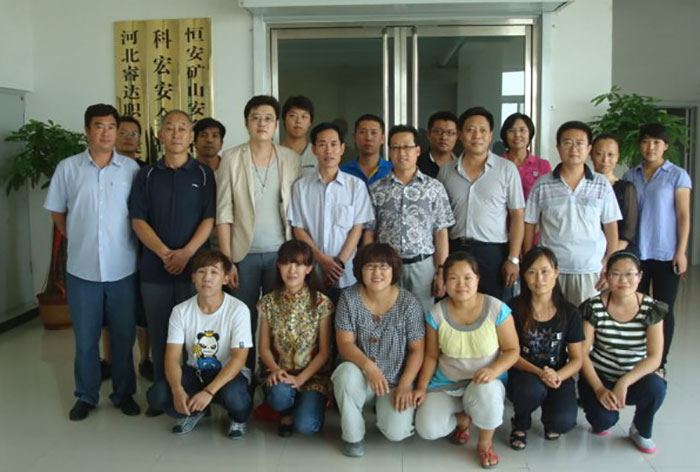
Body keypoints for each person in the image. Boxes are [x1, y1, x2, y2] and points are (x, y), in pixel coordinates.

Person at [44, 103, 141, 420]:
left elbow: (138, 216)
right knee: (86, 339)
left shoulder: (131, 169)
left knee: (123, 336)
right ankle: (86, 396)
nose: (106, 132)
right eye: (99, 126)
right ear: (87, 130)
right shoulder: (68, 168)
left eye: (112, 126)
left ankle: (124, 393)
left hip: (122, 268)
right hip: (82, 270)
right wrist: (76, 235)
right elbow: (58, 212)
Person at [129, 110, 216, 416]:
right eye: (170, 128)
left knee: (197, 334)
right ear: (160, 134)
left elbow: (209, 219)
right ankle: (164, 392)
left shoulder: (204, 174)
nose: (176, 133)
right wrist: (166, 253)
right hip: (155, 269)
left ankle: (198, 394)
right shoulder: (146, 175)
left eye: (182, 128)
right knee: (160, 332)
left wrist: (186, 254)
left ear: (191, 136)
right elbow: (138, 220)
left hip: (196, 270)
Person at [216, 95, 301, 371]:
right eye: (255, 118)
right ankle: (243, 378)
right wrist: (227, 261)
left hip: (281, 255)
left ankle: (274, 379)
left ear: (276, 124)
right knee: (243, 321)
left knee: (278, 321)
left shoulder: (290, 158)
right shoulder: (231, 158)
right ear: (246, 123)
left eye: (268, 118)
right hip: (244, 255)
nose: (261, 123)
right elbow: (224, 212)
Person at [414, 252, 519, 469]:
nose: (461, 284)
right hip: (447, 383)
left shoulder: (496, 308)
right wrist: (422, 387)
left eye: (467, 277)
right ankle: (463, 420)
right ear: (444, 282)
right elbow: (431, 356)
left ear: (477, 279)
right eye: (453, 278)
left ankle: (485, 443)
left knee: (487, 392)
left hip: (484, 382)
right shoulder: (436, 313)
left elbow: (512, 350)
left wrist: (494, 370)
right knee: (427, 428)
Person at [146, 250, 253, 439]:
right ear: (193, 277)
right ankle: (196, 410)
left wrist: (209, 392)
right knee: (158, 395)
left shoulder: (238, 310)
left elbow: (239, 359)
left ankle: (238, 419)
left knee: (235, 398)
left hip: (229, 374)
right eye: (201, 272)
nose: (207, 278)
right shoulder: (180, 311)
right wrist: (177, 390)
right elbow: (172, 357)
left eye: (214, 272)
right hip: (196, 372)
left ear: (225, 278)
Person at [333, 243, 425, 457]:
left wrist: (405, 384)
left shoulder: (409, 303)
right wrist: (369, 367)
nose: (377, 273)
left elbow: (417, 349)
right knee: (345, 374)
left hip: (395, 380)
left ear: (394, 270)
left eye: (383, 266)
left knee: (396, 432)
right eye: (370, 266)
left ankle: (384, 410)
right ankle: (353, 436)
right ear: (360, 270)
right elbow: (345, 344)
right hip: (361, 374)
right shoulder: (349, 298)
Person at [578, 251, 667, 454]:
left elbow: (655, 357)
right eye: (616, 274)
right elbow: (582, 353)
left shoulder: (651, 309)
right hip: (600, 377)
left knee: (656, 387)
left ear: (640, 277)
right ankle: (602, 417)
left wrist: (624, 382)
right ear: (606, 276)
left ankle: (640, 430)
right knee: (602, 422)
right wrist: (599, 389)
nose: (623, 280)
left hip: (634, 377)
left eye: (629, 274)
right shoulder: (594, 307)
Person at [524, 121, 621, 306]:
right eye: (567, 143)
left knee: (586, 319)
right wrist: (529, 260)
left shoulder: (601, 184)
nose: (574, 149)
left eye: (580, 143)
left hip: (590, 269)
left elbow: (610, 225)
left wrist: (610, 263)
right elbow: (530, 223)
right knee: (552, 317)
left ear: (589, 148)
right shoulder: (543, 184)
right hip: (551, 270)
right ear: (558, 148)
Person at [622, 123, 691, 373]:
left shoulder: (677, 175)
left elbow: (683, 215)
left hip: (665, 253)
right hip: (635, 254)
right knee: (633, 307)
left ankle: (660, 363)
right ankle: (635, 359)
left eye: (656, 142)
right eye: (645, 141)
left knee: (663, 309)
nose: (650, 147)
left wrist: (681, 251)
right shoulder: (630, 176)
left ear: (665, 146)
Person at [364, 124, 454, 312]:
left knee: (422, 318)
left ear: (418, 151)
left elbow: (441, 232)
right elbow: (370, 232)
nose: (401, 153)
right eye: (396, 147)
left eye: (407, 147)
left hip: (423, 267)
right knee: (387, 318)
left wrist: (441, 271)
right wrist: (368, 266)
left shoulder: (433, 187)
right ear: (389, 151)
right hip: (386, 268)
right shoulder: (376, 188)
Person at [438, 106, 525, 299]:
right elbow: (438, 219)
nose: (477, 135)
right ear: (461, 135)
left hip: (493, 253)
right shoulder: (446, 171)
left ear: (490, 135)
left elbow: (518, 215)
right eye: (470, 130)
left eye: (483, 130)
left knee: (495, 308)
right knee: (455, 305)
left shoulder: (506, 169)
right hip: (455, 249)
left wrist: (513, 258)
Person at [506, 247, 583, 450]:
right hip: (524, 373)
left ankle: (551, 415)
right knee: (529, 390)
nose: (539, 279)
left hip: (557, 374)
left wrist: (557, 376)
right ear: (524, 275)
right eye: (532, 272)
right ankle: (520, 422)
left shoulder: (570, 312)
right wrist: (540, 373)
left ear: (556, 272)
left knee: (562, 422)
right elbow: (510, 353)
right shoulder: (514, 308)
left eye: (545, 271)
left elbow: (577, 358)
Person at [288, 122, 374, 304]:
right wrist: (322, 260)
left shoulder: (356, 186)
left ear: (342, 148)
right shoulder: (300, 187)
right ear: (313, 149)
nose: (328, 150)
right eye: (322, 144)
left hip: (346, 273)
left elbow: (357, 228)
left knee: (345, 320)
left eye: (334, 144)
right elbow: (298, 229)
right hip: (312, 271)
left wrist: (339, 264)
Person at [258, 240, 334, 437]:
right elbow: (264, 347)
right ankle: (287, 409)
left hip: (312, 376)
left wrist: (300, 379)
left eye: (299, 264)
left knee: (306, 426)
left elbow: (324, 351)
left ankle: (308, 403)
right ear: (278, 266)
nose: (292, 270)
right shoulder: (268, 302)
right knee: (279, 396)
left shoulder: (321, 303)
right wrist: (276, 370)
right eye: (286, 263)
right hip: (281, 374)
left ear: (308, 268)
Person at [115, 115, 154, 381]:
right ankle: (111, 360)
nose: (129, 138)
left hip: (142, 246)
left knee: (142, 307)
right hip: (114, 247)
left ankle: (144, 358)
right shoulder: (106, 166)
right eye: (124, 132)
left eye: (134, 133)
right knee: (114, 311)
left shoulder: (147, 171)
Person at [591, 134, 638, 253]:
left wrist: (609, 257)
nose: (605, 160)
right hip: (588, 254)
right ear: (590, 154)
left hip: (618, 254)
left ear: (617, 157)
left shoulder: (626, 188)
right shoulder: (583, 187)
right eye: (599, 154)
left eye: (610, 155)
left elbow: (628, 232)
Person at [500, 112, 551, 201]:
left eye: (522, 130)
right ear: (505, 135)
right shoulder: (497, 164)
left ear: (530, 134)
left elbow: (548, 198)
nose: (517, 135)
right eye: (511, 130)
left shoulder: (542, 165)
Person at [340, 114, 393, 186]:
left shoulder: (392, 170)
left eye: (373, 132)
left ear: (382, 139)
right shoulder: (342, 171)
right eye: (362, 132)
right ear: (355, 137)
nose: (368, 138)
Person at [280, 95, 317, 177]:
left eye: (304, 117)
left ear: (310, 122)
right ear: (284, 119)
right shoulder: (273, 152)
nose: (298, 121)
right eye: (293, 116)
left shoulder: (317, 153)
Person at [417, 111, 459, 178]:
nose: (444, 137)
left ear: (457, 136)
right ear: (428, 134)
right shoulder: (416, 165)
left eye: (449, 132)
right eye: (438, 132)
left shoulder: (462, 166)